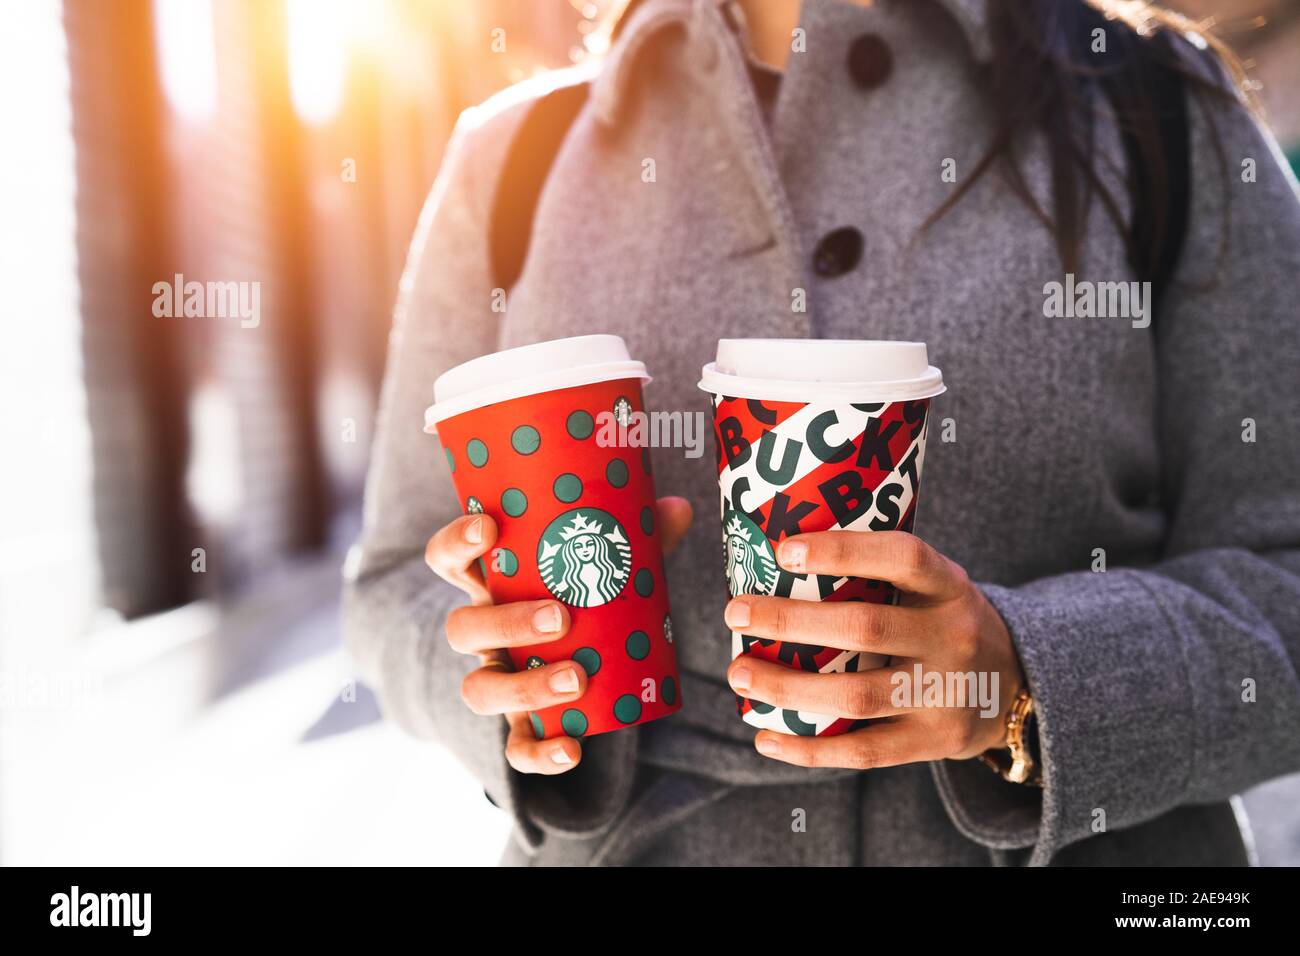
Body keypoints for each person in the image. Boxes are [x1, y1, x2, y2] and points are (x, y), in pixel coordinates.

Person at [343, 0, 1300, 865]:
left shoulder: (1160, 111)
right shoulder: (512, 160)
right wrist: (507, 676)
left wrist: (1030, 682)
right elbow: (390, 588)